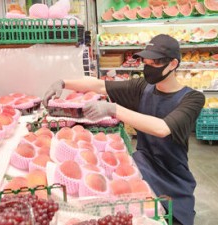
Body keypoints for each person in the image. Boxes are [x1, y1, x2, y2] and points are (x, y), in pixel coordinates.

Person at [43, 34, 205, 225]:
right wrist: (63, 82)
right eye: (146, 62)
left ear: (172, 64)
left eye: (154, 63)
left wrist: (114, 109)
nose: (148, 67)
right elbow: (100, 85)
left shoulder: (192, 98)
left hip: (173, 180)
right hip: (142, 168)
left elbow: (162, 128)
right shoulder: (143, 87)